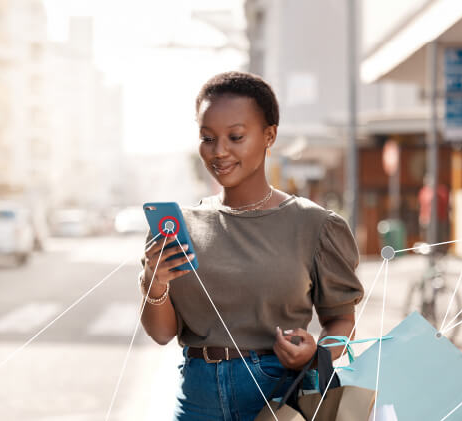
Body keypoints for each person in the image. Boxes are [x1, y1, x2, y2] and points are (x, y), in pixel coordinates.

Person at [138, 71, 365, 421]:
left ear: (269, 135)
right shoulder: (180, 226)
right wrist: (156, 284)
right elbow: (162, 334)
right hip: (197, 398)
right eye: (207, 137)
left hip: (278, 396)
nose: (219, 151)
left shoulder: (315, 225)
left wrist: (316, 354)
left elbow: (342, 320)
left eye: (236, 136)